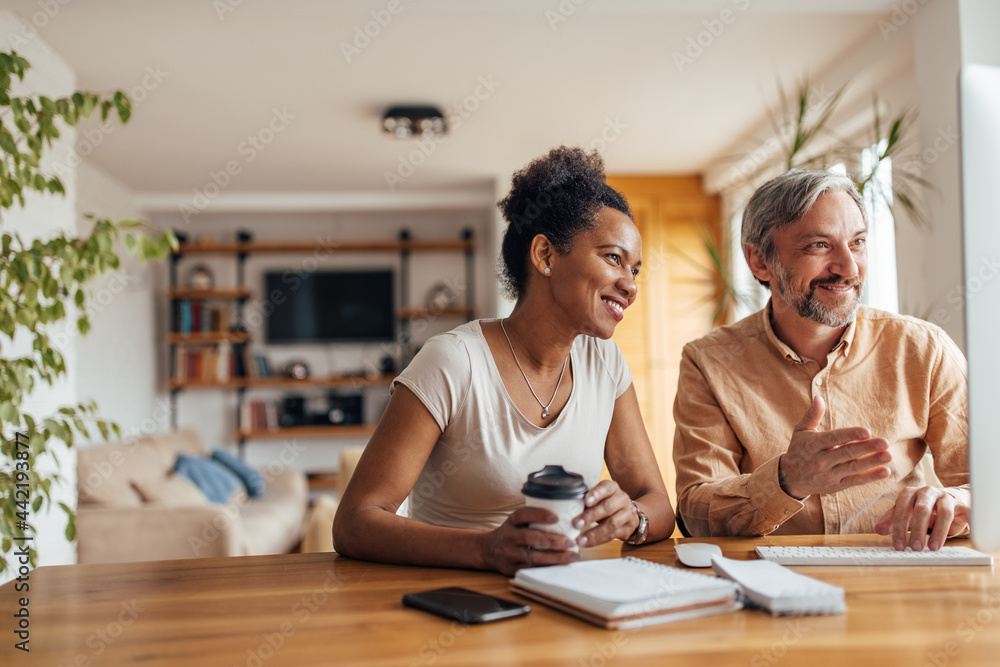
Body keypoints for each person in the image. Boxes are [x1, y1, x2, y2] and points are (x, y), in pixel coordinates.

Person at [333, 147, 674, 575]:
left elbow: (659, 505)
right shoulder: (452, 361)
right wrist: (486, 551)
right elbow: (354, 523)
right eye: (613, 258)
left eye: (636, 270)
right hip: (456, 607)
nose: (630, 285)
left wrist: (633, 517)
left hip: (567, 601)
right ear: (545, 256)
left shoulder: (604, 362)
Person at [672, 169, 970, 551]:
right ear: (760, 261)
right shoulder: (708, 362)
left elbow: (986, 485)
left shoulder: (923, 348)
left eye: (858, 242)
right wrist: (786, 480)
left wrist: (959, 502)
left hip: (899, 578)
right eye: (819, 245)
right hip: (772, 587)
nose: (848, 267)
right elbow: (696, 513)